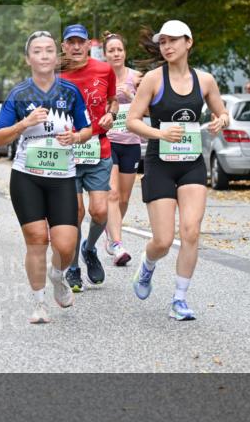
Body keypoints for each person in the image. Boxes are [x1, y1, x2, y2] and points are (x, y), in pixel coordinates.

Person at [125, 20, 230, 321]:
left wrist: (221, 120)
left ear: (188, 42)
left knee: (191, 232)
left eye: (173, 41)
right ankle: (147, 265)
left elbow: (222, 113)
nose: (167, 46)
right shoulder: (154, 80)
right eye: (162, 42)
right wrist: (159, 134)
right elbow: (132, 120)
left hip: (191, 163)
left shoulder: (206, 81)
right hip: (160, 163)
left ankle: (179, 299)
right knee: (161, 240)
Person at [0, 30, 93, 324]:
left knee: (65, 244)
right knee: (37, 239)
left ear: (56, 56)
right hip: (27, 176)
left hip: (62, 176)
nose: (44, 55)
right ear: (28, 59)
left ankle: (58, 275)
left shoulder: (70, 92)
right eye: (38, 51)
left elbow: (87, 130)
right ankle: (39, 304)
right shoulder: (19, 94)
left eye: (49, 50)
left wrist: (75, 137)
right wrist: (25, 122)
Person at [59, 24, 117, 293]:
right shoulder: (55, 75)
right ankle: (73, 267)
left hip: (98, 149)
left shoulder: (104, 70)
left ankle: (90, 248)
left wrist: (111, 114)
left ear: (87, 45)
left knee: (100, 211)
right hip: (65, 153)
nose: (76, 46)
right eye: (71, 42)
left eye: (80, 42)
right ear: (63, 46)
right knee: (75, 212)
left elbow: (112, 100)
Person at [102, 32, 144, 266]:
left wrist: (130, 96)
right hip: (108, 142)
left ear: (124, 52)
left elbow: (148, 110)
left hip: (131, 143)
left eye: (119, 50)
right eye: (111, 50)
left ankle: (111, 232)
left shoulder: (136, 77)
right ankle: (117, 243)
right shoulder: (101, 76)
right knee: (113, 194)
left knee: (125, 197)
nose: (116, 54)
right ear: (105, 54)